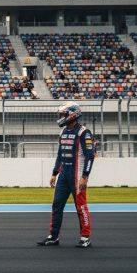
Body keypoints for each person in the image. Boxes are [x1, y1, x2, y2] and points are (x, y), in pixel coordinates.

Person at [37, 101, 94, 248]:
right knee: (56, 205)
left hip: (77, 176)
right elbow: (60, 155)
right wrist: (54, 173)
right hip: (63, 175)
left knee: (81, 207)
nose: (61, 117)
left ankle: (85, 237)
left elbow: (90, 156)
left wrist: (85, 176)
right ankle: (53, 237)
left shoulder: (84, 132)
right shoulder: (63, 132)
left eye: (63, 114)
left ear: (73, 115)